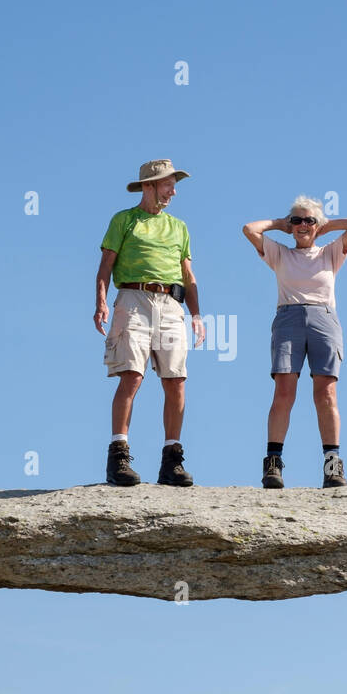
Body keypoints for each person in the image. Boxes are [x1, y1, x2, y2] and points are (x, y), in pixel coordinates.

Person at [95, 159, 205, 487]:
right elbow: (105, 265)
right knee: (131, 376)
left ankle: (171, 460)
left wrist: (197, 314)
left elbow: (188, 275)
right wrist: (101, 300)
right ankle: (118, 455)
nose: (172, 191)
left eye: (174, 185)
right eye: (167, 184)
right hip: (132, 298)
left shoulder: (179, 227)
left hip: (172, 304)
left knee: (176, 380)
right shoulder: (124, 220)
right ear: (148, 186)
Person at [242, 197, 347, 488]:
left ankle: (333, 466)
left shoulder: (330, 253)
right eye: (296, 220)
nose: (302, 226)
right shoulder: (280, 254)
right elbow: (249, 229)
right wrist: (279, 225)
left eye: (308, 220)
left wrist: (324, 226)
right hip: (288, 317)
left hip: (324, 317)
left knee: (326, 393)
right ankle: (273, 464)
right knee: (284, 391)